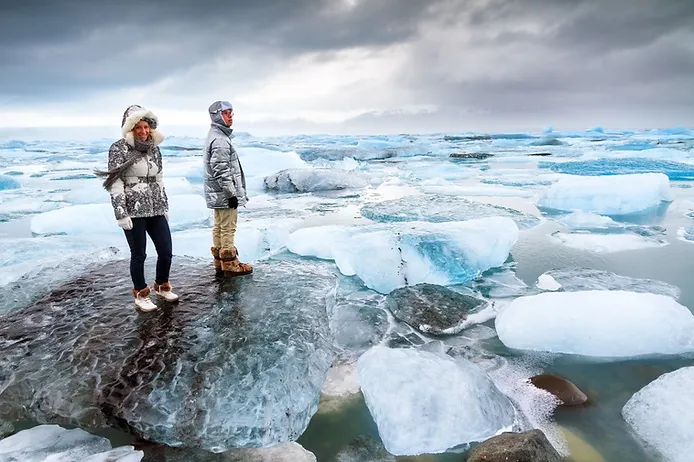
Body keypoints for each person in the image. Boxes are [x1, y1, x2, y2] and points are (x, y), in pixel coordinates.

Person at [95, 104, 179, 311]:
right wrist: (121, 213)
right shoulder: (118, 148)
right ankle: (141, 293)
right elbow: (115, 183)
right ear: (129, 128)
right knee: (139, 254)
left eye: (146, 127)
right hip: (133, 209)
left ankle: (161, 285)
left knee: (166, 251)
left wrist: (164, 205)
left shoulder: (154, 148)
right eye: (138, 127)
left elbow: (159, 179)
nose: (143, 131)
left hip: (155, 207)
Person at [203, 100, 253, 276]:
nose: (230, 116)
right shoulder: (220, 140)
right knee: (228, 226)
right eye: (226, 113)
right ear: (217, 115)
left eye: (231, 112)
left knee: (219, 225)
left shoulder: (215, 135)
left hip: (218, 193)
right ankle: (230, 263)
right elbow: (221, 169)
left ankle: (219, 261)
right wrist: (231, 193)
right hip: (224, 193)